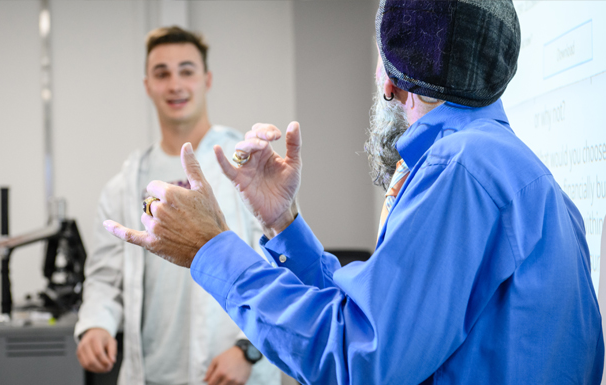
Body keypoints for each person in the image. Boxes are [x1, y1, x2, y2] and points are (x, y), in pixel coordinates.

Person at [103, 2, 605, 384]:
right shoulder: (525, 175)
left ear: (391, 82)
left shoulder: (462, 168)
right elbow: (375, 319)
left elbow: (356, 360)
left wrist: (210, 250)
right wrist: (283, 224)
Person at [74, 26, 280, 385]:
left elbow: (281, 267)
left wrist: (249, 349)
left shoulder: (245, 167)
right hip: (150, 373)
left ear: (206, 79)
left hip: (231, 370)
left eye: (186, 71)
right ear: (148, 85)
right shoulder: (124, 184)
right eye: (162, 73)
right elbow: (105, 278)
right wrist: (96, 325)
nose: (175, 85)